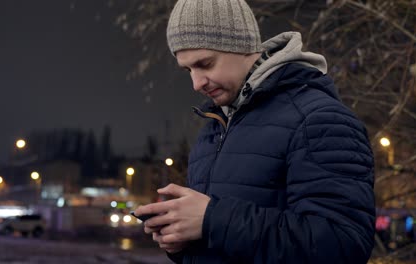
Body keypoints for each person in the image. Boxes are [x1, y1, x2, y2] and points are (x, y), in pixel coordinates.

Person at [133, 0, 376, 263]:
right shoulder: (214, 129)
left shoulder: (319, 120)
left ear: (242, 45)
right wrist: (182, 242)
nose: (196, 83)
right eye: (188, 70)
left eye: (205, 64)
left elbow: (343, 246)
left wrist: (211, 219)